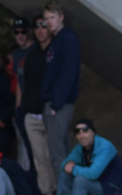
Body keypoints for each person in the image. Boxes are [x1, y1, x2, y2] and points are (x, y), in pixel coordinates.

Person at [55, 118, 122, 195]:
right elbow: (63, 166)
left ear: (93, 132)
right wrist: (70, 163)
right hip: (100, 188)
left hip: (114, 193)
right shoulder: (81, 148)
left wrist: (73, 168)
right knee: (64, 175)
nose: (82, 136)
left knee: (80, 179)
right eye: (78, 132)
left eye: (85, 131)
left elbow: (93, 173)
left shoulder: (105, 146)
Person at [41, 2, 81, 181]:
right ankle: (73, 193)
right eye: (46, 18)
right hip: (53, 102)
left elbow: (69, 73)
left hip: (60, 103)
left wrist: (57, 102)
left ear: (61, 17)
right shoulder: (55, 42)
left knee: (57, 152)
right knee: (63, 150)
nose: (49, 22)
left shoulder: (68, 39)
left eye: (52, 17)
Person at [22, 15, 57, 195]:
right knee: (39, 159)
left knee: (54, 154)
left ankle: (62, 192)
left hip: (51, 112)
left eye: (44, 26)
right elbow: (27, 85)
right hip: (32, 114)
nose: (41, 30)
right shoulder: (32, 56)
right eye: (37, 27)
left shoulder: (56, 51)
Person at [8, 17, 36, 173]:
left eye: (23, 32)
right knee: (28, 148)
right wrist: (17, 108)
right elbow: (19, 79)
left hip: (38, 105)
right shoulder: (17, 54)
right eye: (16, 32)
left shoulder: (37, 48)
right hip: (24, 108)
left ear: (29, 32)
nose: (20, 35)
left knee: (42, 146)